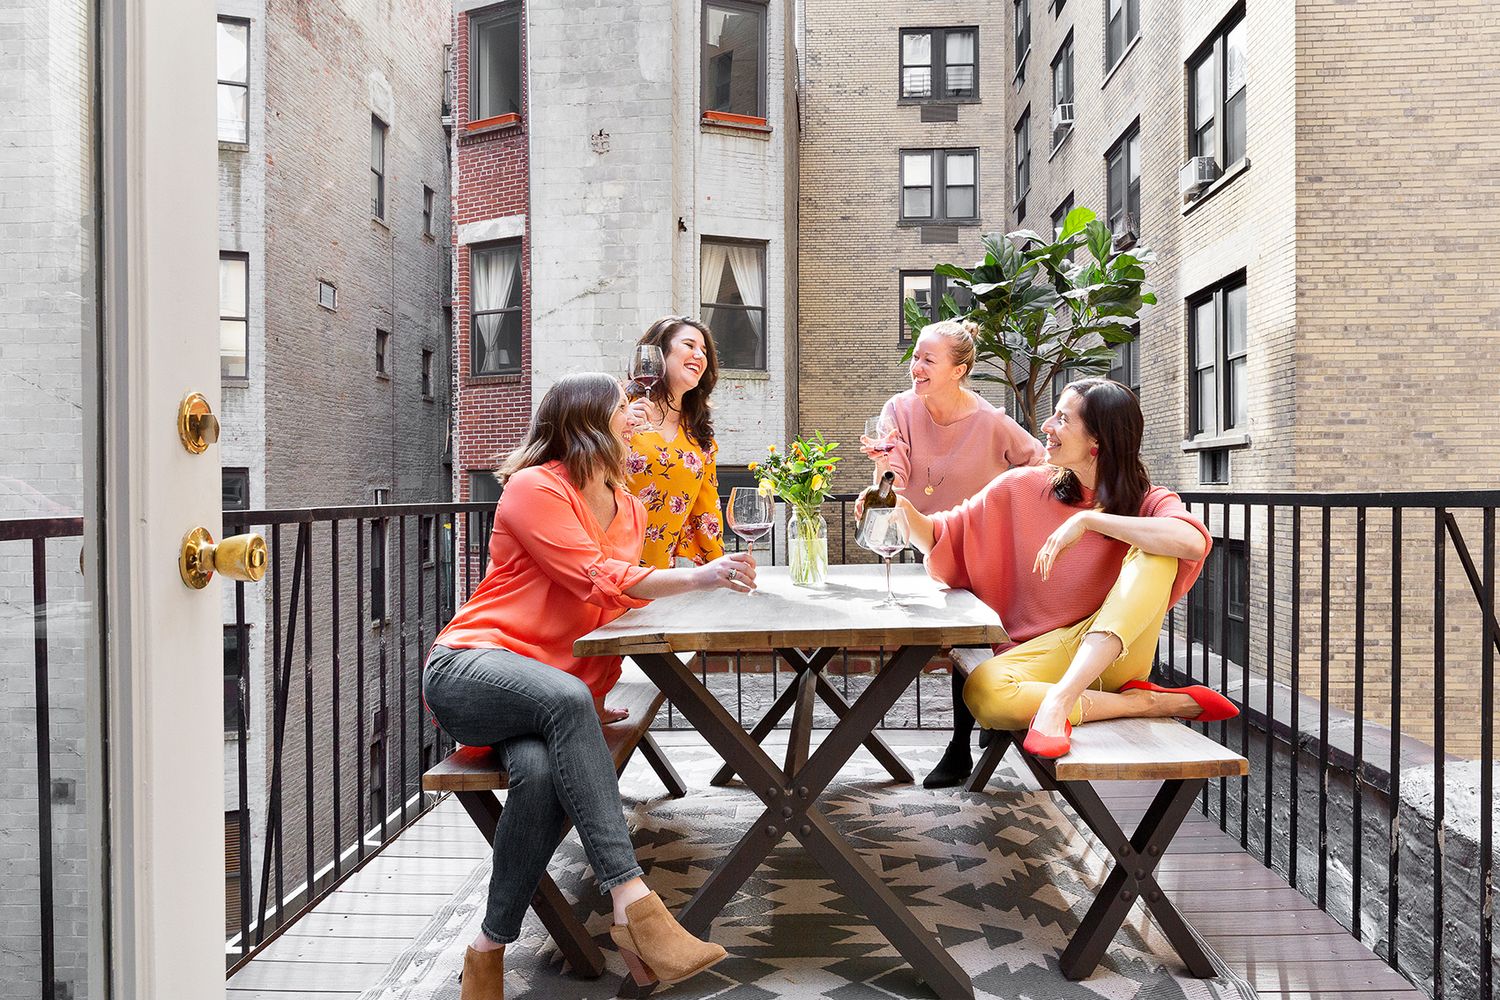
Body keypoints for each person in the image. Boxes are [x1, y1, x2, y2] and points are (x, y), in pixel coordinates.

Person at [424, 373, 754, 999]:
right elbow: (597, 577)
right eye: (621, 409)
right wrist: (695, 579)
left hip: (557, 698)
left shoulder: (628, 505)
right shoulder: (533, 487)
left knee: (544, 775)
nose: (634, 417)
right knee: (569, 701)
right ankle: (634, 902)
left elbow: (629, 590)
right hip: (473, 668)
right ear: (585, 422)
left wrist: (700, 584)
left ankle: (486, 953)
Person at [895, 378, 1238, 764]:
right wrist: (904, 513)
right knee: (983, 692)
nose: (1046, 427)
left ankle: (1059, 701)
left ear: (1098, 442)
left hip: (1118, 656)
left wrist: (1091, 522)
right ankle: (1140, 703)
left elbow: (1191, 541)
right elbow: (946, 535)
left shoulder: (1149, 501)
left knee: (1157, 553)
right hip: (1049, 655)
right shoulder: (1020, 488)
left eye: (1062, 420)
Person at [857, 318, 1045, 786]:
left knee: (969, 640)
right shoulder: (899, 409)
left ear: (959, 369)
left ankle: (959, 749)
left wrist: (1013, 509)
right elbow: (894, 469)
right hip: (926, 543)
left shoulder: (993, 422)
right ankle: (982, 724)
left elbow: (1042, 464)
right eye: (915, 357)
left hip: (980, 548)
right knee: (928, 641)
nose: (915, 367)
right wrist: (880, 485)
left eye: (928, 360)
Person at [626, 316, 724, 572]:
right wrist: (616, 427)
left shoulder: (700, 437)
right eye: (689, 345)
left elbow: (707, 514)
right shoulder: (618, 408)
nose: (699, 355)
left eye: (704, 351)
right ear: (659, 353)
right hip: (602, 569)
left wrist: (724, 572)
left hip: (657, 580)